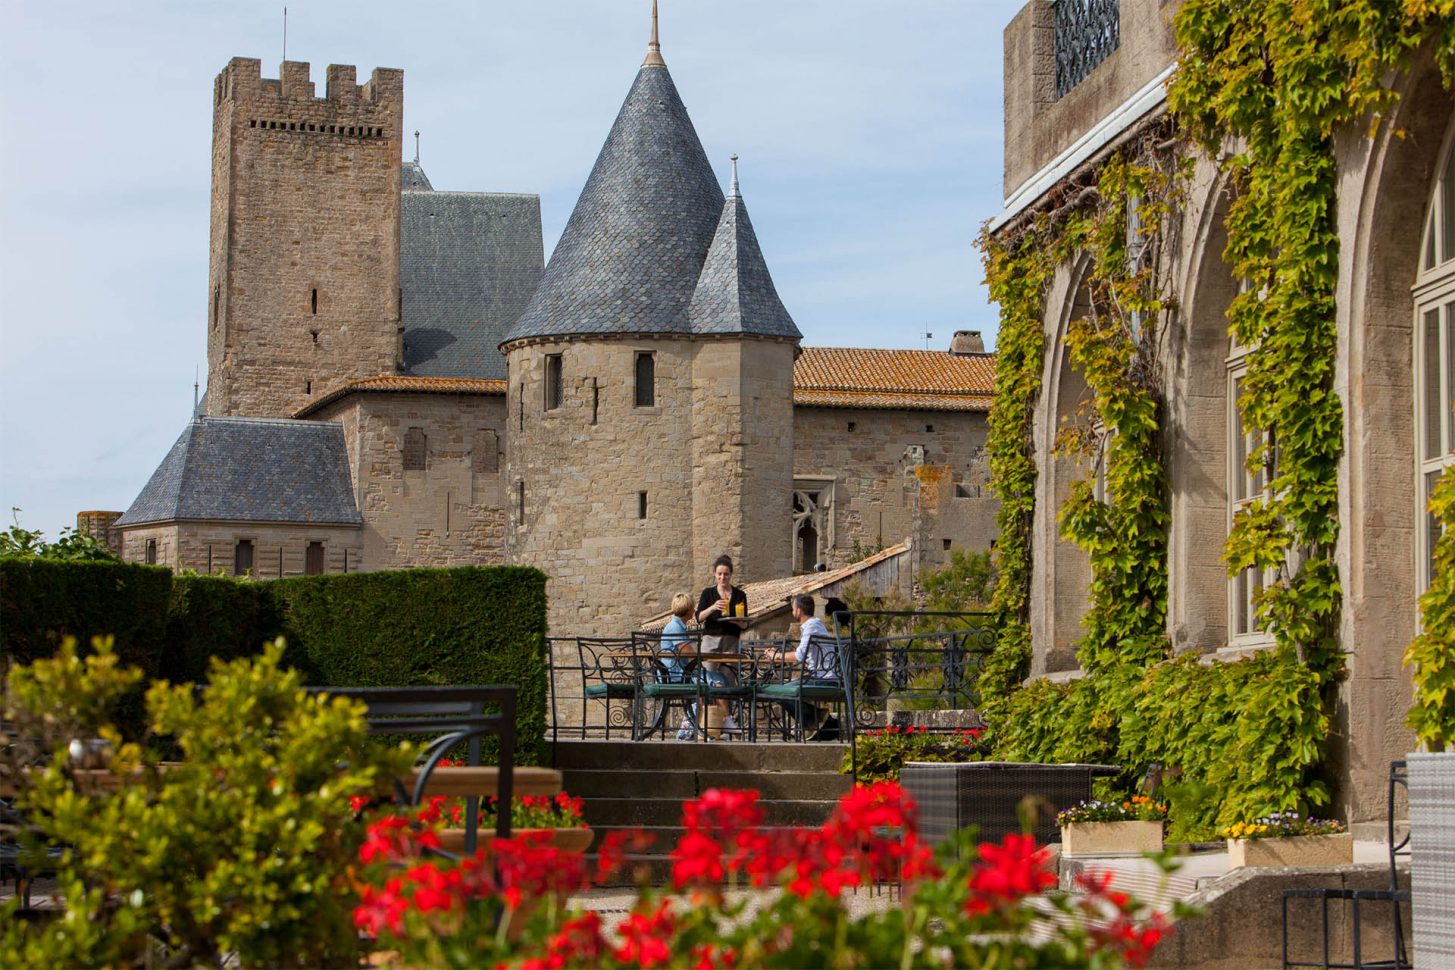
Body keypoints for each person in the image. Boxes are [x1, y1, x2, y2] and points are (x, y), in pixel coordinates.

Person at [762, 594, 840, 740]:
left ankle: (815, 719)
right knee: (783, 690)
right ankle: (817, 721)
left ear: (798, 611)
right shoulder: (814, 624)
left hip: (824, 679)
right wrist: (779, 655)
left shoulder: (811, 626)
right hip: (821, 676)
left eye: (793, 609)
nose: (792, 612)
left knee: (780, 692)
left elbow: (799, 656)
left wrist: (776, 657)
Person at [695, 554, 749, 735]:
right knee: (709, 679)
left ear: (731, 575)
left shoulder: (740, 595)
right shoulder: (708, 593)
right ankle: (711, 723)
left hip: (731, 640)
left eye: (725, 574)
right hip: (710, 640)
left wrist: (736, 621)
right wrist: (712, 607)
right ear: (714, 574)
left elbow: (745, 624)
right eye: (719, 574)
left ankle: (726, 721)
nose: (722, 578)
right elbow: (698, 618)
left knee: (728, 680)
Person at [660, 593, 697, 740]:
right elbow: (688, 652)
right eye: (693, 608)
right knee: (707, 687)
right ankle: (686, 733)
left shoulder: (675, 625)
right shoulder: (676, 627)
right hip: (674, 676)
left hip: (674, 674)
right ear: (688, 609)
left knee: (709, 682)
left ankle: (700, 729)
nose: (694, 611)